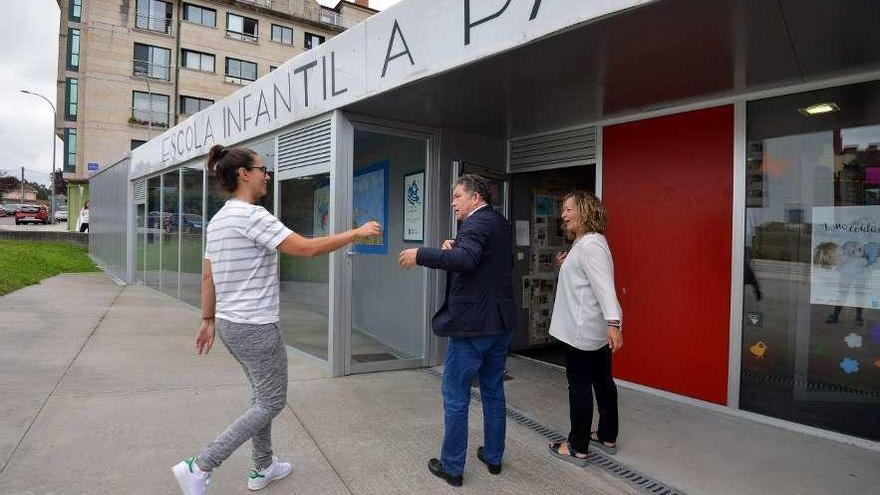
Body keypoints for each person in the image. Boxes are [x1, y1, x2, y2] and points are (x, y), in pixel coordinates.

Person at [172, 144, 381, 495]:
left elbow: (208, 277)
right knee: (271, 402)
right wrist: (356, 234)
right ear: (244, 174)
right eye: (262, 169)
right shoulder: (252, 216)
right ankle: (201, 465)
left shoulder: (219, 220)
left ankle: (263, 466)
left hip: (229, 324)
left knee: (260, 397)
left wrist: (208, 320)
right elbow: (306, 248)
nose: (267, 175)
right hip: (255, 325)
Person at [398, 174, 516, 487]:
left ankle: (452, 467)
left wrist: (421, 254)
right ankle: (493, 457)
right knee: (493, 390)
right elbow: (484, 261)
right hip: (500, 323)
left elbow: (467, 259)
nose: (453, 203)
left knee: (455, 395)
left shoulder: (475, 224)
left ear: (476, 197)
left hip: (473, 327)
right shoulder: (500, 223)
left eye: (457, 196)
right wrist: (453, 248)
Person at [547, 191, 623, 467]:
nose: (563, 215)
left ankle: (577, 447)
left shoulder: (590, 245)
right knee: (603, 382)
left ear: (585, 211)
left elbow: (605, 289)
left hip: (582, 333)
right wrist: (566, 265)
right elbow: (584, 281)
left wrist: (615, 324)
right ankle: (606, 435)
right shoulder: (586, 244)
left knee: (579, 387)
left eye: (568, 209)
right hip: (592, 331)